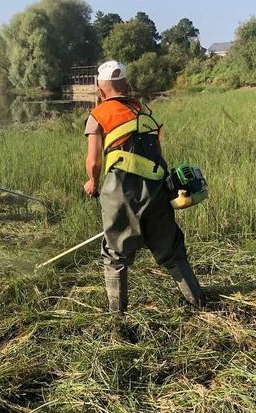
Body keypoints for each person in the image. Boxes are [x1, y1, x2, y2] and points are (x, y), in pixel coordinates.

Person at [83, 60, 204, 313]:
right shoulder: (144, 111)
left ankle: (117, 318)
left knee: (115, 256)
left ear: (100, 88)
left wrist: (92, 182)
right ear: (125, 85)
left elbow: (94, 160)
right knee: (172, 251)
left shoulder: (98, 115)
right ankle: (200, 304)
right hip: (157, 189)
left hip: (120, 193)